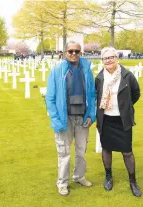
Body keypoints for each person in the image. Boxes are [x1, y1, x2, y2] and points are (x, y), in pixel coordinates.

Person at [46, 41, 95, 196]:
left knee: (81, 151)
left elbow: (92, 95)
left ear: (81, 53)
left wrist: (91, 115)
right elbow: (50, 98)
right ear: (65, 52)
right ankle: (62, 182)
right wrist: (56, 119)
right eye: (71, 51)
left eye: (77, 51)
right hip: (64, 118)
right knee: (64, 152)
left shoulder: (86, 70)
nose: (74, 54)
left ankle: (79, 176)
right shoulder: (57, 72)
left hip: (82, 117)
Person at [95, 47, 142, 197]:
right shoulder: (99, 77)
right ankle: (108, 177)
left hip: (122, 120)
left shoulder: (127, 75)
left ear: (117, 58)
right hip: (106, 119)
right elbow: (96, 96)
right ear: (102, 61)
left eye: (111, 57)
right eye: (105, 58)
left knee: (127, 151)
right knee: (107, 149)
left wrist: (125, 107)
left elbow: (136, 93)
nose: (108, 60)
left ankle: (133, 181)